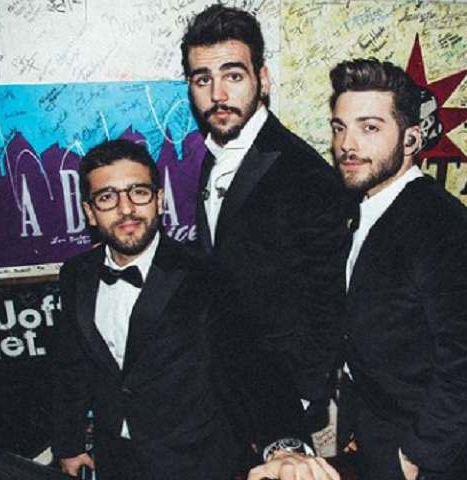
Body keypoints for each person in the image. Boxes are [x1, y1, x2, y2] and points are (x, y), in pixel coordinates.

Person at [181, 3, 351, 470]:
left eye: (233, 75)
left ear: (264, 79)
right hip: (225, 376)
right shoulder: (217, 153)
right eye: (202, 79)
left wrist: (300, 399)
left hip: (278, 389)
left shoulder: (304, 173)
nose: (218, 94)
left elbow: (328, 295)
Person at [329, 58, 467, 480]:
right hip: (373, 422)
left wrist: (414, 458)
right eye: (339, 127)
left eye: (370, 128)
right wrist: (356, 423)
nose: (347, 144)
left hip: (419, 445)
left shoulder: (447, 231)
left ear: (411, 139)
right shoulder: (360, 202)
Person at [50, 139, 236, 480]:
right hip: (115, 460)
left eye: (138, 192)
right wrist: (69, 444)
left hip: (196, 461)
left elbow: (244, 365)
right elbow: (71, 367)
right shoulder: (76, 274)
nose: (126, 209)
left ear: (159, 200)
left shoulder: (203, 272)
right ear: (89, 212)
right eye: (107, 197)